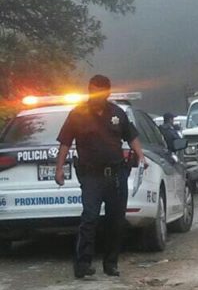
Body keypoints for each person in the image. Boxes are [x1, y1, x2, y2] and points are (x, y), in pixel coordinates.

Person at [55, 74, 148, 278]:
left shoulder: (117, 113)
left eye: (98, 90)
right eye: (91, 89)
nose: (93, 94)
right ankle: (83, 264)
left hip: (115, 174)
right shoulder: (77, 113)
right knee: (89, 218)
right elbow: (65, 143)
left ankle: (111, 263)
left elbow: (131, 137)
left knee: (116, 220)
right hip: (91, 176)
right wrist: (59, 168)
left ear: (107, 92)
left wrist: (141, 156)